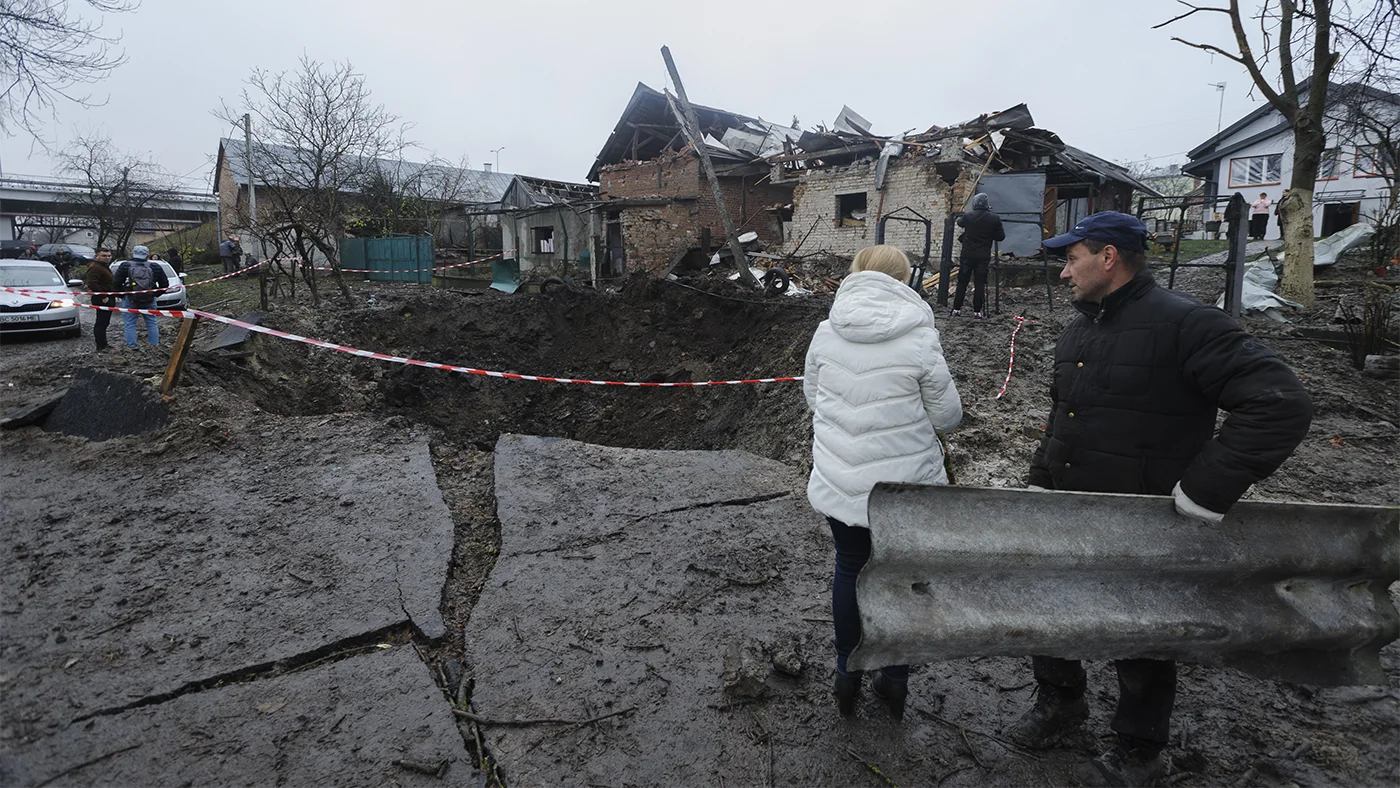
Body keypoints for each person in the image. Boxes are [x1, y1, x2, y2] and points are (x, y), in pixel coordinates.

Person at [1008, 212, 1312, 787]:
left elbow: (1279, 405)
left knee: (1142, 633)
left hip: (1144, 518)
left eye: (1071, 259)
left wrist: (1203, 492)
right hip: (1068, 506)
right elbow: (1063, 418)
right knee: (1045, 605)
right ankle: (1060, 703)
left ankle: (1140, 750)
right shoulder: (1078, 330)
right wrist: (1041, 481)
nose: (1063, 272)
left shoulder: (1189, 324)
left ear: (1108, 258)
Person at [803, 245, 963, 722]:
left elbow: (814, 396)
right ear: (906, 280)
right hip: (901, 488)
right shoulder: (919, 336)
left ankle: (846, 671)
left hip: (840, 479)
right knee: (901, 578)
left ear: (855, 275)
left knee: (850, 567)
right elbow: (948, 418)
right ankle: (894, 680)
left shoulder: (827, 332)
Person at [951, 193, 1005, 318]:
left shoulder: (968, 216)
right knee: (980, 283)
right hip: (983, 256)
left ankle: (956, 309)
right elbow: (1001, 237)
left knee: (962, 282)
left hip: (967, 254)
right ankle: (977, 311)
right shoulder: (994, 218)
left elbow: (959, 223)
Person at [112, 245, 169, 349]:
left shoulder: (125, 266)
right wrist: (154, 294)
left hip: (130, 299)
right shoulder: (155, 266)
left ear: (133, 253)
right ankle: (154, 346)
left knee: (130, 324)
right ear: (147, 255)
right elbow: (164, 284)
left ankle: (132, 346)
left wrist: (122, 295)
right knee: (152, 323)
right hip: (149, 299)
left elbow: (116, 283)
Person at [83, 248, 116, 352]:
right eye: (104, 256)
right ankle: (100, 346)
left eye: (109, 256)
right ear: (97, 256)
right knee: (101, 323)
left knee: (104, 322)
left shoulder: (102, 266)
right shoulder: (96, 267)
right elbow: (92, 283)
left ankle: (104, 344)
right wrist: (103, 296)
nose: (107, 258)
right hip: (102, 298)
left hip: (108, 296)